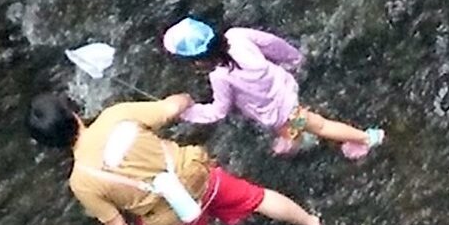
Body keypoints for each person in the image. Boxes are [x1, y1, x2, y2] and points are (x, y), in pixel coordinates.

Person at [26, 91, 320, 225]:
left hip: (168, 217)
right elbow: (170, 108)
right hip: (195, 175)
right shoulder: (116, 115)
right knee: (258, 198)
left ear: (50, 145)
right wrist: (184, 99)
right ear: (74, 113)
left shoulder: (81, 180)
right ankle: (311, 223)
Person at [164, 18, 384, 161]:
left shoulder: (220, 76)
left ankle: (365, 138)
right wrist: (294, 58)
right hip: (285, 87)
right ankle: (297, 137)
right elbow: (272, 43)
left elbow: (219, 110)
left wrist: (186, 112)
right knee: (294, 128)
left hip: (281, 113)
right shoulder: (237, 35)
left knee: (319, 126)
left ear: (198, 60)